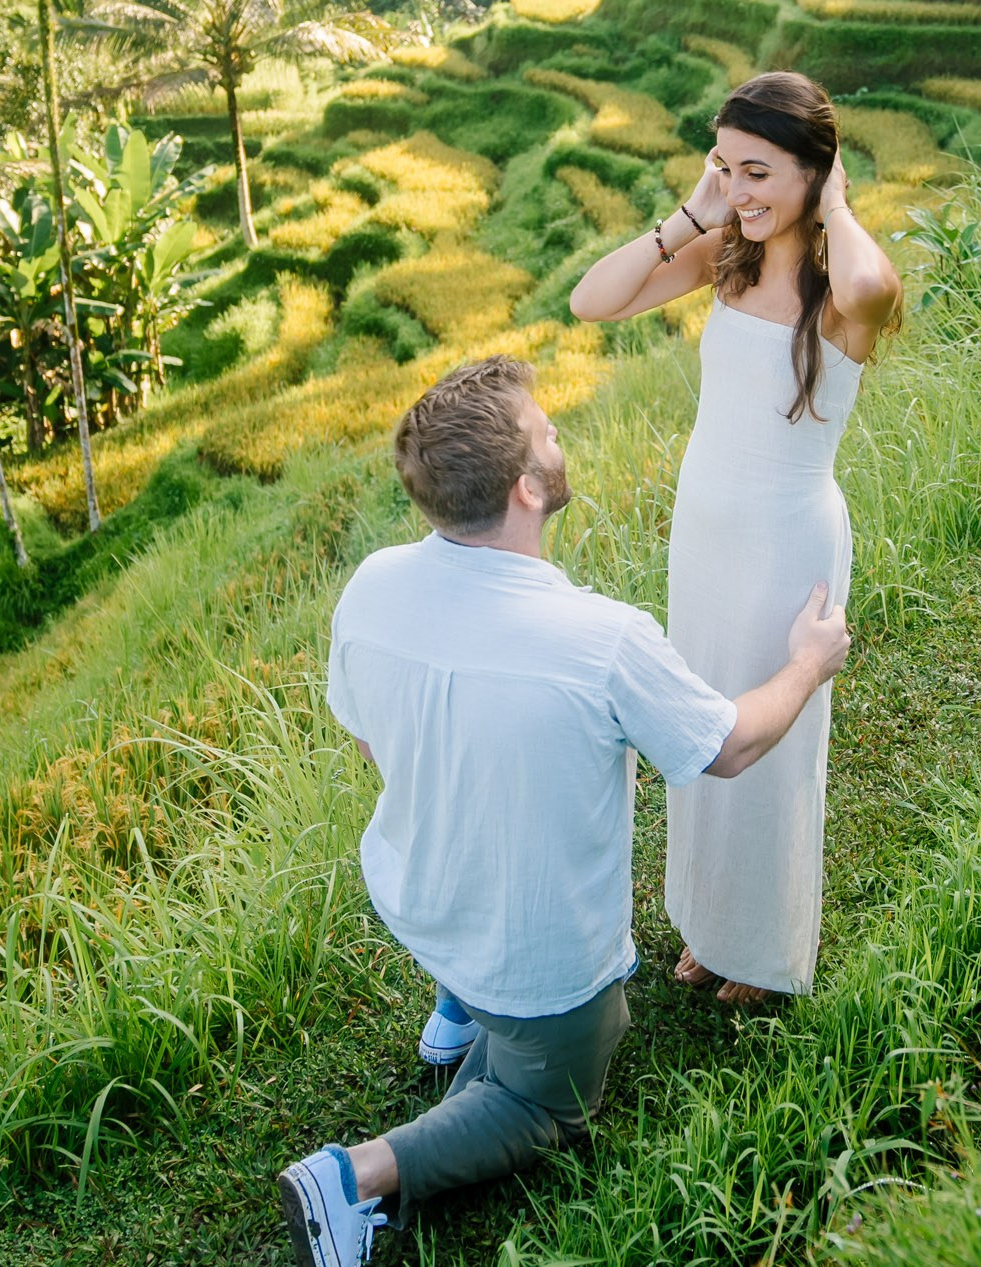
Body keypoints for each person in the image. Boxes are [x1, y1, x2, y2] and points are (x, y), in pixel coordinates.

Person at [275, 356, 852, 1267]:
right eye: (548, 429)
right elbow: (731, 745)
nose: (559, 435)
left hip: (418, 900)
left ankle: (458, 1005)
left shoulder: (373, 586)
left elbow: (373, 747)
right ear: (527, 487)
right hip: (534, 959)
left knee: (474, 843)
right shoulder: (601, 641)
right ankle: (352, 1177)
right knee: (551, 1097)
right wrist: (808, 663)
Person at [568, 72, 903, 1005]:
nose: (742, 190)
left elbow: (877, 281)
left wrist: (835, 201)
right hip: (703, 532)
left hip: (783, 540)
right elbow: (593, 301)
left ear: (814, 171)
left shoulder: (841, 290)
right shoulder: (731, 252)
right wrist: (695, 209)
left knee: (775, 743)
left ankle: (760, 944)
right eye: (728, 167)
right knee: (704, 719)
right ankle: (710, 925)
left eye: (760, 171)